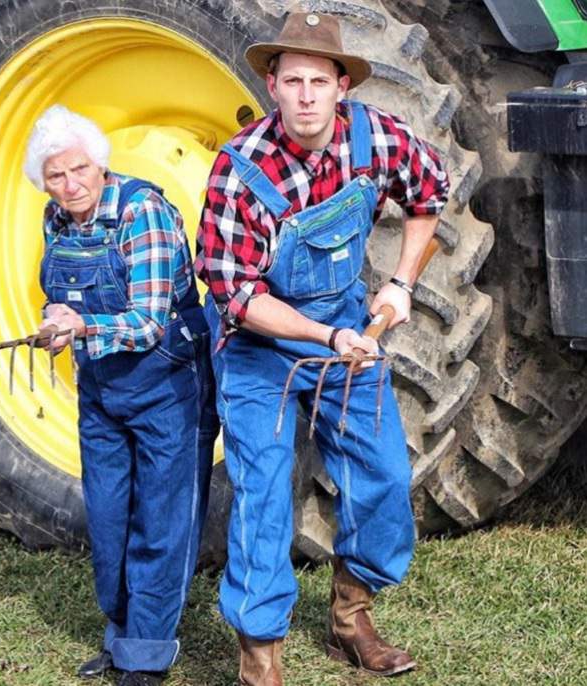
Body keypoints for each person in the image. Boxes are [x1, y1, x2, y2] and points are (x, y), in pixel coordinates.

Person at [196, 12, 450, 685]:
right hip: (259, 350)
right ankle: (260, 660)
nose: (306, 95)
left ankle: (349, 620)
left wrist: (399, 283)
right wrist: (324, 335)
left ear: (342, 86)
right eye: (292, 81)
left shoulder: (373, 138)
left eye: (319, 80)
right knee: (264, 496)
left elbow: (430, 192)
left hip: (347, 337)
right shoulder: (239, 169)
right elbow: (238, 296)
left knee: (386, 476)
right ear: (272, 86)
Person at [24, 105, 217, 686]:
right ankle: (120, 635)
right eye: (55, 176)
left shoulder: (143, 213)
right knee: (108, 519)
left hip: (167, 383)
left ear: (100, 164)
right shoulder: (55, 220)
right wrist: (54, 322)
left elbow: (149, 322)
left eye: (79, 169)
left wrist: (82, 328)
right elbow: (63, 295)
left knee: (162, 519)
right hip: (101, 389)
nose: (69, 184)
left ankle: (147, 654)